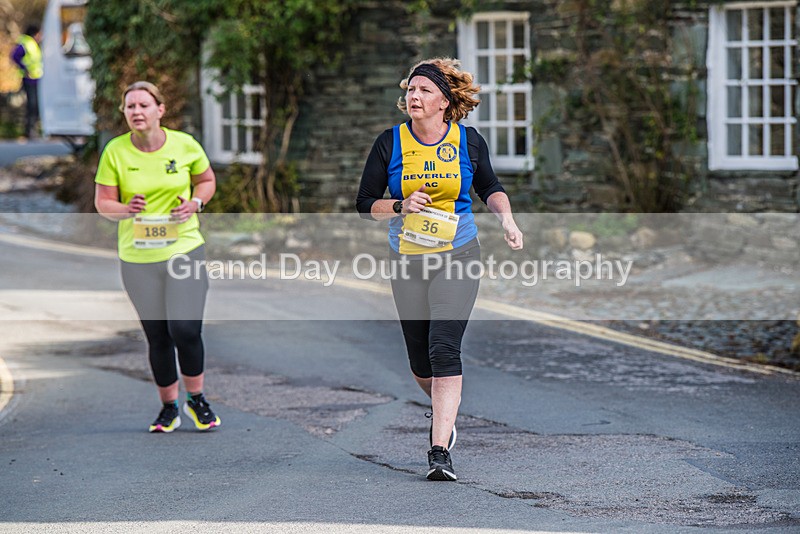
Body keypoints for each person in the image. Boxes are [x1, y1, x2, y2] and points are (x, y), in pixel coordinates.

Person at [356, 58, 523, 481]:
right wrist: (399, 205)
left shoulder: (468, 142)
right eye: (411, 90)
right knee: (420, 360)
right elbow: (365, 204)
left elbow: (490, 188)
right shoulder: (389, 143)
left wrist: (506, 219)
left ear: (444, 102)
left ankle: (439, 447)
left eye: (424, 91)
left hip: (458, 254)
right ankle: (445, 412)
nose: (414, 96)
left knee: (444, 347)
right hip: (409, 258)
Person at [94, 81, 221, 433]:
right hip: (138, 258)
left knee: (184, 328)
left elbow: (206, 180)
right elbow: (102, 203)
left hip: (184, 249)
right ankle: (169, 407)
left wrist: (195, 203)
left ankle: (196, 399)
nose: (136, 112)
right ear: (124, 113)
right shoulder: (115, 152)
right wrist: (125, 209)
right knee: (158, 335)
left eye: (143, 105)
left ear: (159, 110)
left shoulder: (184, 145)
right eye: (130, 106)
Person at [11, 24, 43, 139]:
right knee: (32, 105)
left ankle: (32, 130)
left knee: (35, 106)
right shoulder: (27, 44)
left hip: (36, 79)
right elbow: (14, 56)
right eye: (39, 34)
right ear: (35, 33)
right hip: (30, 80)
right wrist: (25, 69)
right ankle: (30, 131)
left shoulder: (33, 44)